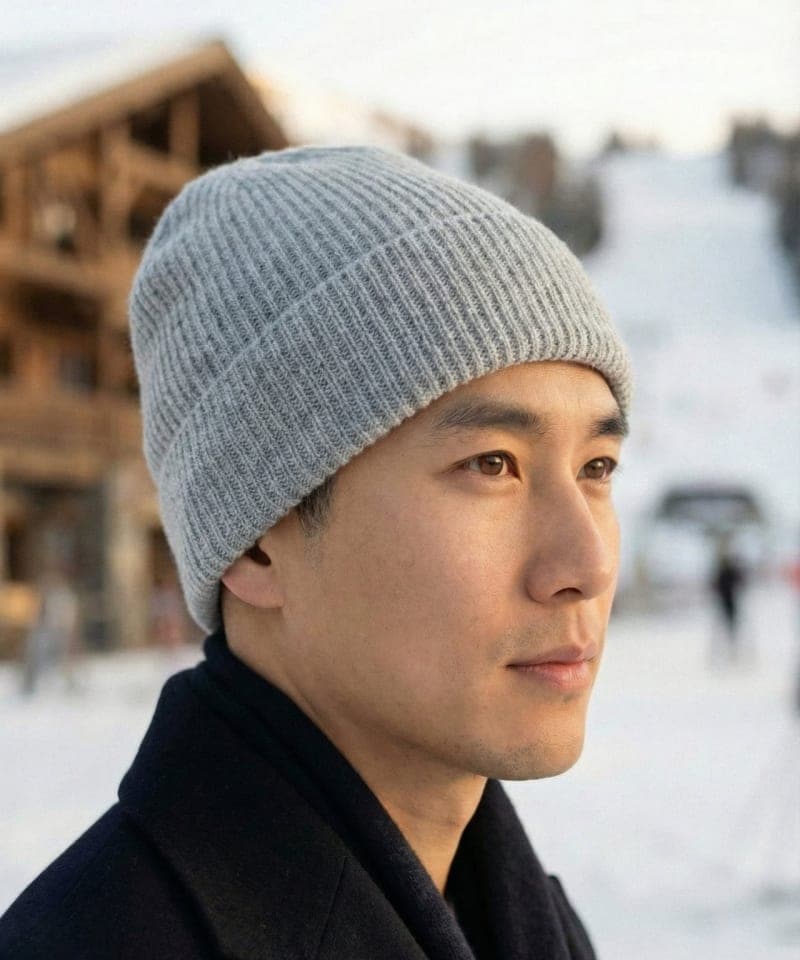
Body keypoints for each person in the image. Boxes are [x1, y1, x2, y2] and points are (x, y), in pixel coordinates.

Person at [0, 146, 631, 959]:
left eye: (597, 468)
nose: (587, 563)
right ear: (260, 542)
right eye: (491, 465)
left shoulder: (522, 922)